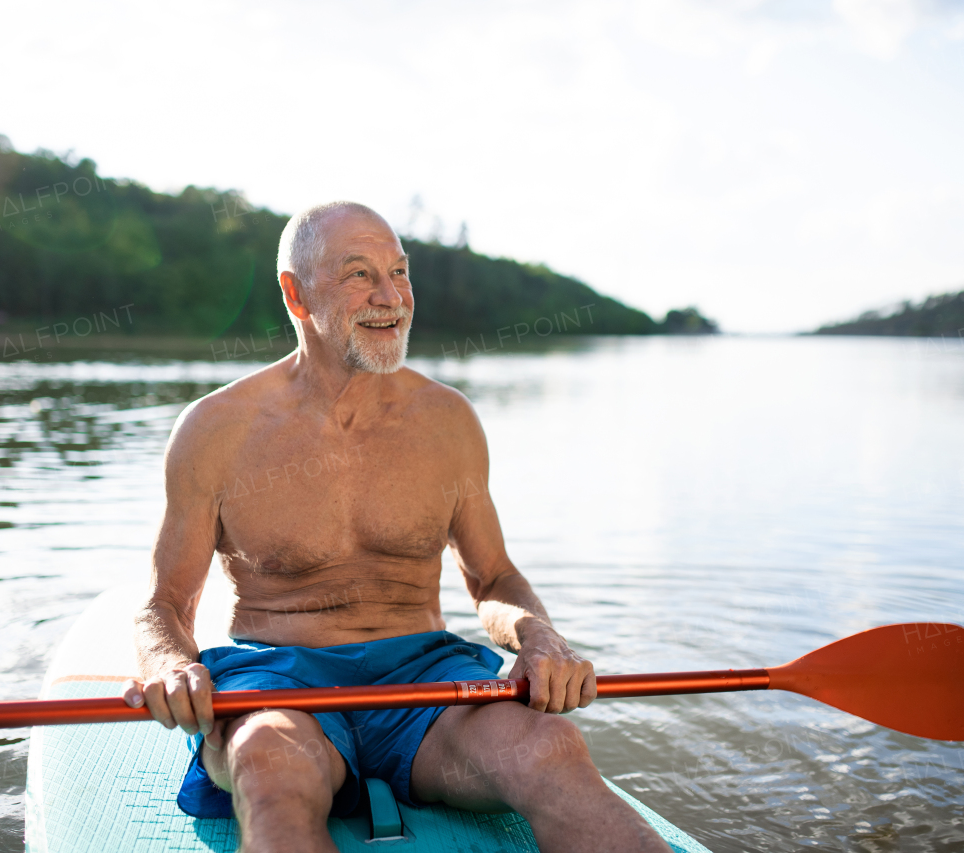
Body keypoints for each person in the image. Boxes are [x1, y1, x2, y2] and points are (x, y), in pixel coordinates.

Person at [123, 201, 669, 853]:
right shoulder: (216, 430)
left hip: (426, 685)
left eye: (400, 272)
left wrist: (539, 636)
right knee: (271, 769)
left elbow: (492, 577)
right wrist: (169, 663)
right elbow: (165, 603)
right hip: (279, 684)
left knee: (552, 748)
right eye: (360, 274)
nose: (391, 297)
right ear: (296, 294)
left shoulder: (446, 421)